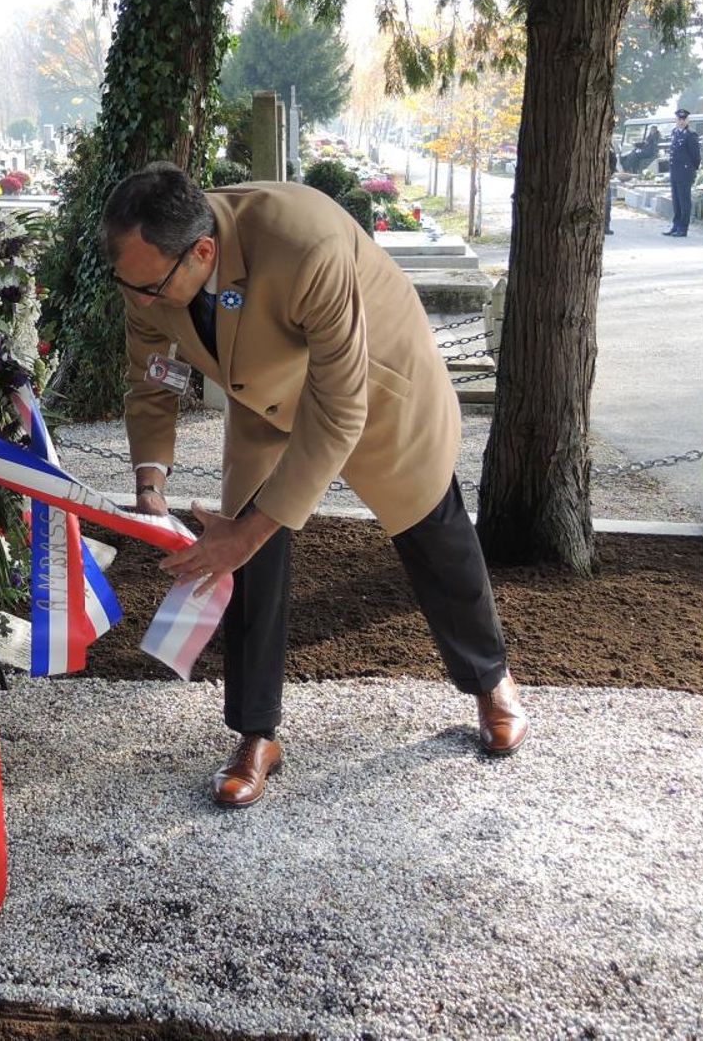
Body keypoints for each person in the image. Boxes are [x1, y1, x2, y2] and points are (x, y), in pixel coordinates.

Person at [101, 164, 524, 809]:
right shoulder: (149, 273)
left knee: (431, 524)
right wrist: (150, 483)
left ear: (204, 252)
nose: (141, 302)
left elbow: (339, 411)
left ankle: (489, 678)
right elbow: (152, 379)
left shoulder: (306, 243)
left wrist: (250, 531)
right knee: (244, 555)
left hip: (372, 386)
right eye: (129, 286)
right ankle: (256, 734)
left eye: (151, 288)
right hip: (266, 395)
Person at [663, 108, 701, 236]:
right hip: (675, 172)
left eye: (684, 119)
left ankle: (683, 228)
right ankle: (676, 225)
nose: (681, 121)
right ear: (676, 120)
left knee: (684, 201)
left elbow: (696, 156)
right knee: (676, 201)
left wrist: (691, 170)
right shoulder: (675, 132)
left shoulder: (690, 135)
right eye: (679, 119)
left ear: (687, 120)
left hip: (685, 173)